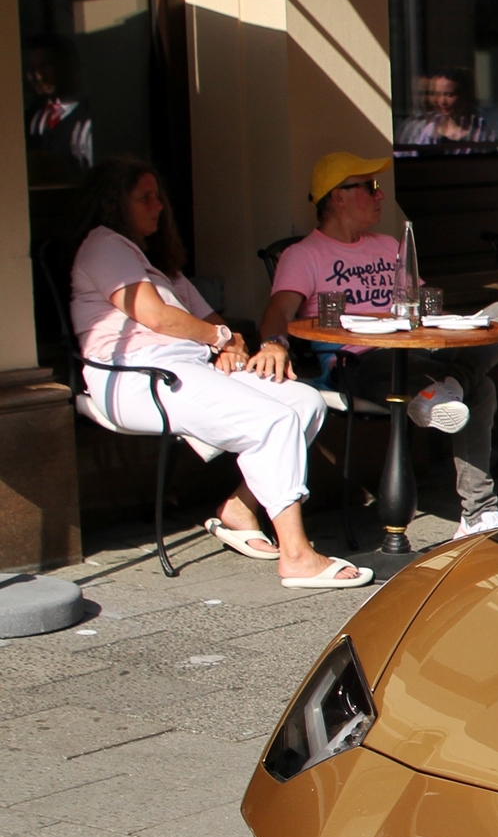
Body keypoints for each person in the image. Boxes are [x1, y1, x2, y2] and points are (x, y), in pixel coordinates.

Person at [75, 160, 368, 589]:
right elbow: (157, 317)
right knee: (272, 419)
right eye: (144, 197)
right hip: (137, 377)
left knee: (303, 401)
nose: (158, 206)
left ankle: (238, 507)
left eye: (158, 195)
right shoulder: (103, 247)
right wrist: (219, 338)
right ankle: (297, 555)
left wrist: (227, 345)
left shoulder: (157, 264)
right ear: (113, 203)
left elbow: (212, 322)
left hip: (186, 367)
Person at [264, 151, 498, 540]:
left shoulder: (386, 244)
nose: (380, 196)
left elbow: (426, 304)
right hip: (361, 363)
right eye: (370, 187)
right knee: (484, 387)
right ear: (338, 195)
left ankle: (449, 385)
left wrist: (484, 337)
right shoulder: (303, 255)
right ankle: (478, 513)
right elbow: (279, 310)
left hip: (421, 351)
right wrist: (274, 343)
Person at [23, 41, 94, 180]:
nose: (38, 76)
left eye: (44, 66)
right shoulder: (33, 118)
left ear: (69, 65)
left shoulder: (87, 119)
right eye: (32, 69)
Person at [398, 71, 485, 146]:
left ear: (464, 95)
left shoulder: (480, 129)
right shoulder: (428, 128)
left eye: (450, 95)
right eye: (438, 95)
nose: (443, 102)